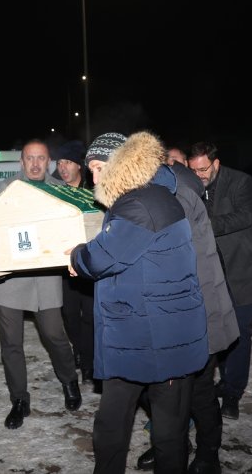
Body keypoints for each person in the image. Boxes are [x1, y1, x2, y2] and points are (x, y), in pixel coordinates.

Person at [70, 131, 209, 474]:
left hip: (155, 337)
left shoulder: (138, 203)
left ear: (122, 163)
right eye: (91, 170)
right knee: (141, 426)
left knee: (159, 432)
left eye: (100, 168)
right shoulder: (153, 194)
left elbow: (100, 259)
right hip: (147, 332)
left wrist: (76, 256)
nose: (95, 178)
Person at [135, 147, 240, 474]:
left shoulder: (175, 196)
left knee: (197, 391)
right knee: (153, 389)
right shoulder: (159, 190)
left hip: (197, 313)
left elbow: (176, 262)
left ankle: (208, 453)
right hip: (172, 314)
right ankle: (173, 443)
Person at [0, 139, 82, 430]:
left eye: (41, 158)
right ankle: (19, 399)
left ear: (49, 162)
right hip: (10, 278)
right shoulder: (5, 191)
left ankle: (69, 380)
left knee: (55, 336)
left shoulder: (60, 192)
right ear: (21, 161)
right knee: (11, 344)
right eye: (29, 158)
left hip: (45, 277)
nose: (34, 164)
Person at [188, 141, 252, 420]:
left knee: (240, 334)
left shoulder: (240, 181)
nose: (199, 175)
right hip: (212, 272)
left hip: (243, 270)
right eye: (194, 169)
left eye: (203, 169)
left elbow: (244, 216)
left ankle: (233, 392)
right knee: (216, 329)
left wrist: (203, 225)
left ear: (216, 164)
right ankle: (221, 382)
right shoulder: (192, 184)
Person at [54, 140, 96, 388]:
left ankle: (89, 363)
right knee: (69, 315)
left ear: (79, 165)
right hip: (63, 265)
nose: (63, 167)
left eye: (68, 162)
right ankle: (80, 350)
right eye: (59, 163)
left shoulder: (93, 191)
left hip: (89, 263)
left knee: (90, 316)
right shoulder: (55, 192)